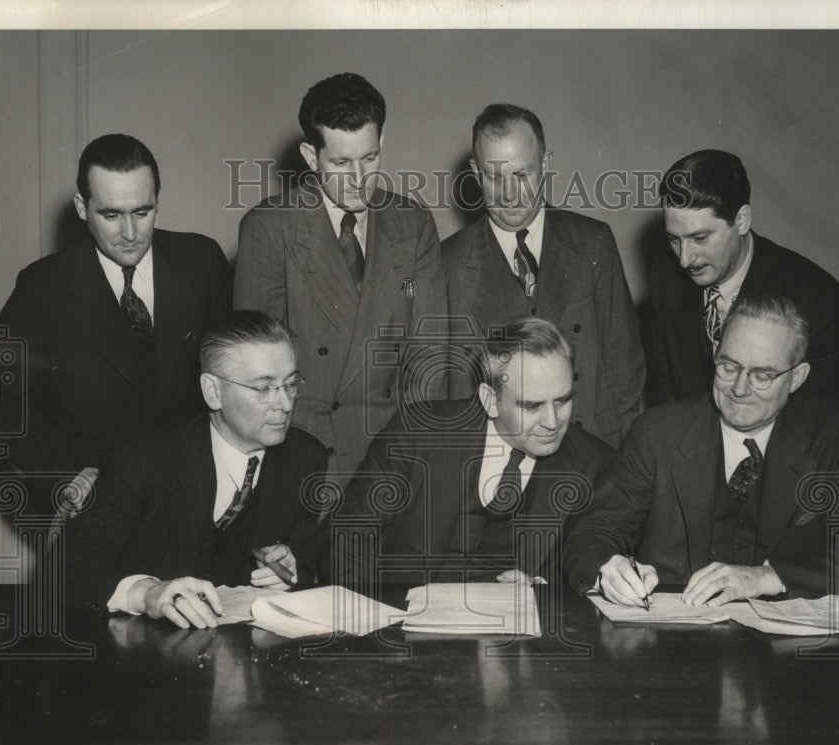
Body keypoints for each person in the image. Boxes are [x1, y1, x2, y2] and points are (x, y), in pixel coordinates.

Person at [564, 295, 839, 607]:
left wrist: (764, 578)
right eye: (728, 367)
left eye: (762, 376)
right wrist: (607, 568)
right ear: (715, 352)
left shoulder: (837, 442)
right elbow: (593, 533)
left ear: (796, 378)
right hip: (674, 629)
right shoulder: (657, 434)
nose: (739, 389)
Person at [0, 133, 233, 516]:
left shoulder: (202, 261)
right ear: (82, 207)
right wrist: (63, 476)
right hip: (96, 497)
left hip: (196, 488)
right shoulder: (42, 286)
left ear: (157, 200)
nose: (130, 233)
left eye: (142, 212)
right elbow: (8, 406)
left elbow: (232, 378)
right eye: (111, 215)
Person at [234, 73, 447, 486]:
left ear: (382, 142)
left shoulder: (414, 223)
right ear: (311, 157)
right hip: (303, 455)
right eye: (341, 163)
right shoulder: (270, 228)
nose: (358, 178)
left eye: (369, 158)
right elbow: (255, 374)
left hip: (392, 452)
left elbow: (429, 357)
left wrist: (411, 456)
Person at [63, 311, 328, 626]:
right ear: (213, 392)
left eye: (291, 384)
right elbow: (66, 570)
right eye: (263, 388)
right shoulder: (144, 461)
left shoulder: (305, 457)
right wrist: (145, 593)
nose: (285, 403)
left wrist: (288, 570)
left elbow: (303, 569)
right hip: (147, 644)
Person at [321, 316, 615, 591]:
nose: (552, 422)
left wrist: (543, 592)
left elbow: (591, 558)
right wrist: (369, 616)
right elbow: (347, 534)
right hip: (403, 614)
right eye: (532, 406)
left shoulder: (591, 463)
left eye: (562, 401)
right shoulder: (419, 433)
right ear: (490, 399)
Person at [443, 103, 644, 448]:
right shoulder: (448, 261)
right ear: (475, 172)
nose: (509, 194)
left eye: (522, 175)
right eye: (494, 177)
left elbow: (625, 364)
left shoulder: (593, 242)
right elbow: (449, 388)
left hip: (595, 450)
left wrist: (618, 452)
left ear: (546, 164)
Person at [648, 148, 839, 409]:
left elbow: (829, 419)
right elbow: (666, 396)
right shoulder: (665, 276)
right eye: (673, 239)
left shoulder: (818, 298)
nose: (684, 259)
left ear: (741, 220)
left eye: (699, 238)